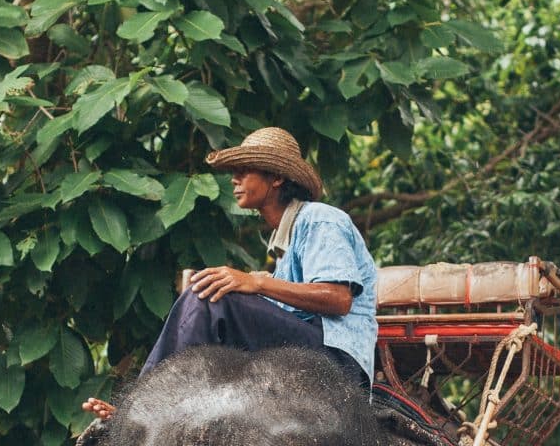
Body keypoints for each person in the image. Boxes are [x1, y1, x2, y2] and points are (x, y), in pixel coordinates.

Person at [83, 127, 376, 418]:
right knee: (210, 289)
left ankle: (144, 409)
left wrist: (256, 282)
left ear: (276, 178)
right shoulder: (283, 242)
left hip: (337, 360)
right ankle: (150, 407)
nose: (234, 179)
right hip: (304, 349)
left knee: (210, 298)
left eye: (244, 170)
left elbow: (338, 299)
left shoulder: (320, 218)